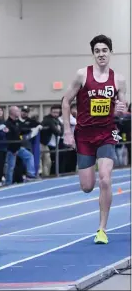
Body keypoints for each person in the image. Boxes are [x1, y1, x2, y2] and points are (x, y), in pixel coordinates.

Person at [62, 35, 126, 244]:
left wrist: (121, 109)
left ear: (110, 53)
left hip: (107, 133)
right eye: (97, 50)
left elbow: (122, 108)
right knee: (87, 186)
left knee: (105, 178)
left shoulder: (119, 79)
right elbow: (65, 101)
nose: (101, 54)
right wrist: (67, 131)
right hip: (85, 135)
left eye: (104, 50)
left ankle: (102, 229)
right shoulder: (82, 75)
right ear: (93, 54)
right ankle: (100, 223)